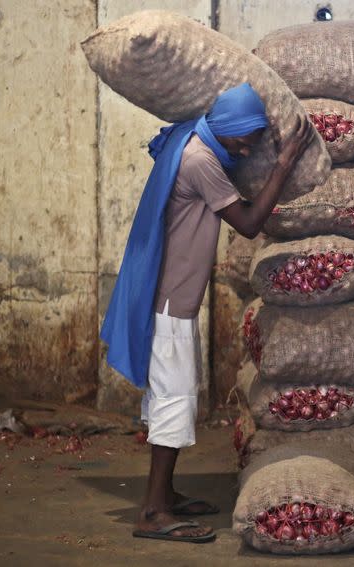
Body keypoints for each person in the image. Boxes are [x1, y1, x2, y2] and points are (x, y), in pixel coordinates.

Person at [101, 83, 314, 543]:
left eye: (257, 138)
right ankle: (154, 512)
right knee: (174, 401)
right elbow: (250, 222)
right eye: (247, 136)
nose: (250, 145)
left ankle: (167, 494)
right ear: (228, 127)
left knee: (168, 395)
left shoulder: (190, 140)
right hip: (170, 302)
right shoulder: (201, 161)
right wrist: (282, 165)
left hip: (169, 296)